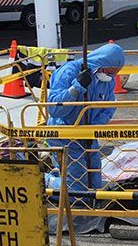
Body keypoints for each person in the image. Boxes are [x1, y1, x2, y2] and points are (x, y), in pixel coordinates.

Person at [46, 42, 125, 197]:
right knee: (77, 192)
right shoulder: (70, 71)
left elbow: (109, 107)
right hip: (64, 135)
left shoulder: (107, 80)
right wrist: (76, 88)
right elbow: (54, 109)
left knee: (94, 185)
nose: (111, 77)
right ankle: (45, 181)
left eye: (114, 74)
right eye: (109, 72)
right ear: (101, 64)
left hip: (88, 136)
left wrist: (93, 128)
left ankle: (60, 174)